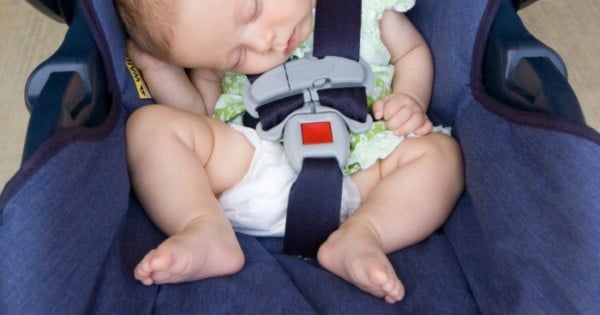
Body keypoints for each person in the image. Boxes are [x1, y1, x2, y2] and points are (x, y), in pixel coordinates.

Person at [115, 0, 464, 304]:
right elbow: (197, 113)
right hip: (257, 167)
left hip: (367, 173)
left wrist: (410, 99)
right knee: (149, 127)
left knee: (442, 157)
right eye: (238, 55)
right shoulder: (216, 58)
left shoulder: (366, 9)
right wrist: (159, 70)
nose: (263, 43)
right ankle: (203, 226)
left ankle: (363, 235)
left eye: (252, 9)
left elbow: (411, 53)